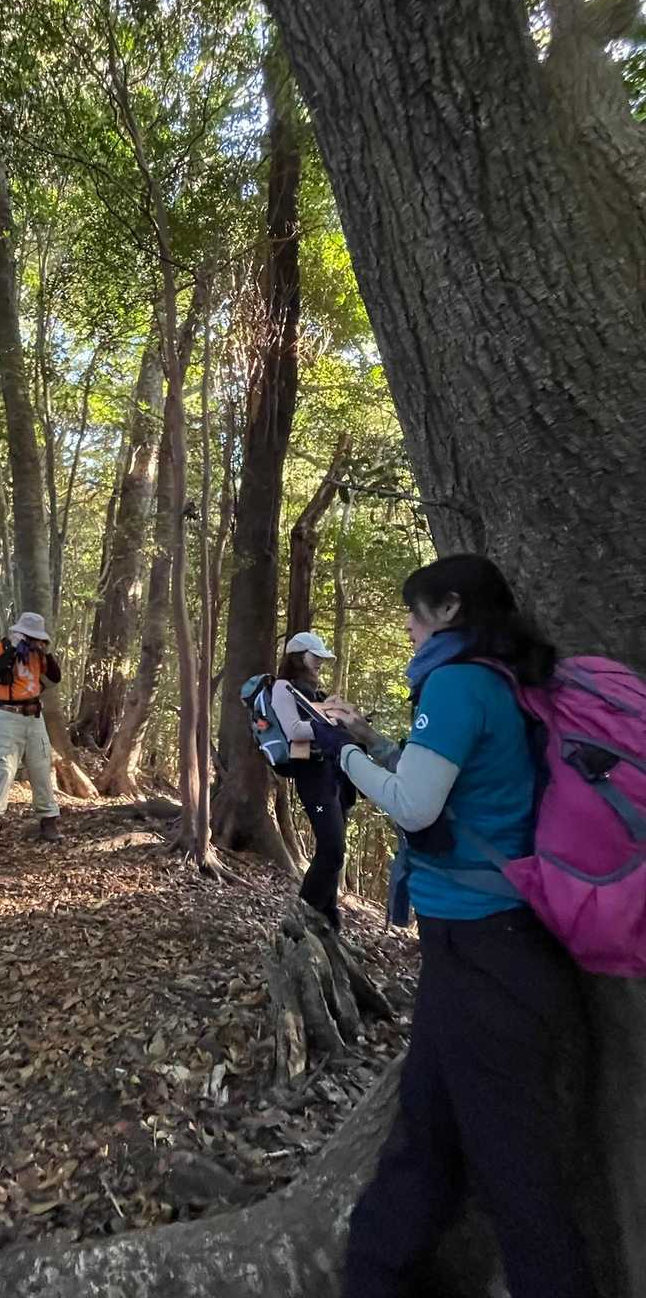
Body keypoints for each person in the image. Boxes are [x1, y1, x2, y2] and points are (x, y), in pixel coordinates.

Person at [318, 554, 597, 1298]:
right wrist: (373, 741)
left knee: (512, 1165)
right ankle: (377, 1271)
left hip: (486, 949)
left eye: (415, 612)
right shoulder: (497, 678)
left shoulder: (456, 682)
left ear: (448, 608)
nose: (409, 628)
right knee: (428, 1127)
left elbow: (415, 807)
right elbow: (449, 784)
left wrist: (344, 755)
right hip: (479, 943)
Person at [272, 631, 353, 930]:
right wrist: (330, 727)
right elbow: (294, 730)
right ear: (298, 656)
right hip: (313, 778)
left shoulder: (312, 692)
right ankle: (304, 912)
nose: (319, 662)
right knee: (332, 848)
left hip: (333, 776)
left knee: (336, 849)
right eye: (314, 656)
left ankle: (327, 913)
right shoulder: (283, 687)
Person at [0, 611, 62, 860]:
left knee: (41, 768)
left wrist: (46, 652)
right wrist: (14, 648)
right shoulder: (2, 647)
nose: (33, 641)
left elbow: (55, 677)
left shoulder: (38, 655)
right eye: (30, 637)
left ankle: (48, 820)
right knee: (1, 771)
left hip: (34, 717)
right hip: (8, 716)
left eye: (37, 638)